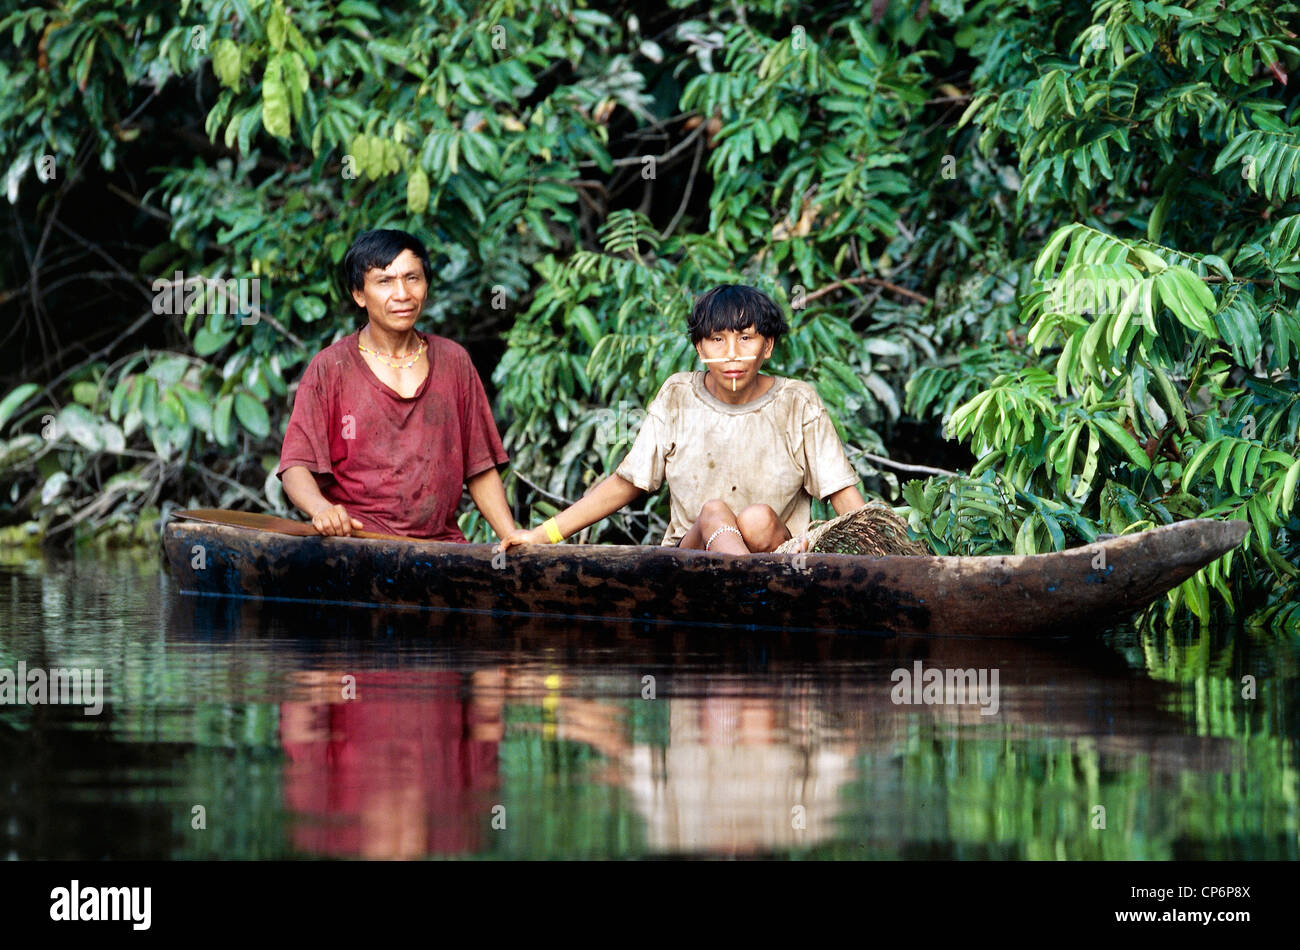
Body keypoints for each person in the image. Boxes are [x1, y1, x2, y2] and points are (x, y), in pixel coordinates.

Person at [498, 284, 867, 554]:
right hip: (690, 559)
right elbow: (627, 482)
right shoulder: (678, 395)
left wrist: (889, 563)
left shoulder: (798, 402)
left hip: (776, 558)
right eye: (717, 340)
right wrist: (543, 535)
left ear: (767, 346)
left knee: (756, 518)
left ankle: (750, 594)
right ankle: (745, 594)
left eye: (745, 338)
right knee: (714, 513)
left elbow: (842, 494)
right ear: (699, 348)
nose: (731, 354)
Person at [278, 228, 517, 541]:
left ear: (426, 285)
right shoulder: (331, 368)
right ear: (359, 294)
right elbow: (296, 465)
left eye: (412, 278)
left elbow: (480, 468)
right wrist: (321, 509)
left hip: (442, 550)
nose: (402, 294)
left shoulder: (453, 361)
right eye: (384, 281)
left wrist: (511, 536)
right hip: (359, 546)